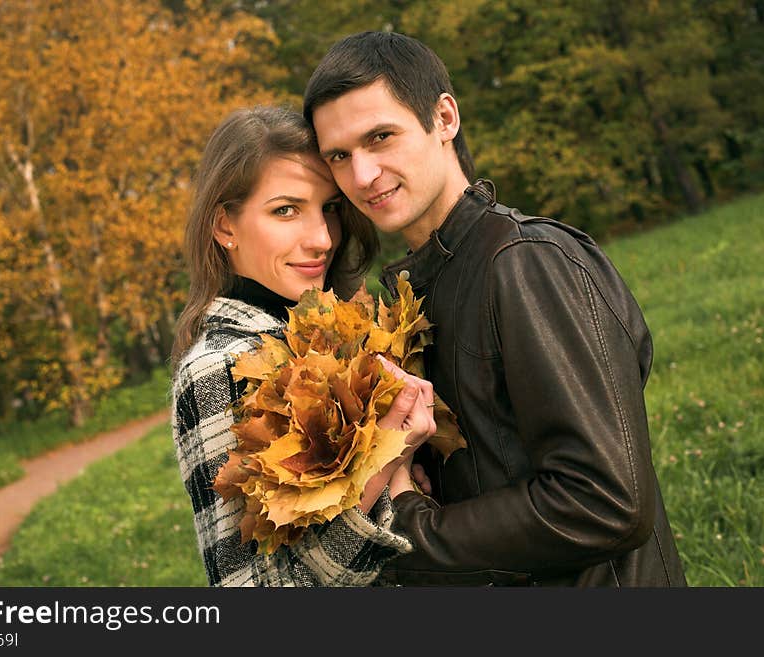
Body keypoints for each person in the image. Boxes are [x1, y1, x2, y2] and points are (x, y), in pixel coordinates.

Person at [303, 31, 687, 586]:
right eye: (340, 155)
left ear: (444, 118)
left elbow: (607, 501)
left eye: (381, 137)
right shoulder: (420, 289)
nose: (362, 175)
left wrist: (409, 529)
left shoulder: (526, 264)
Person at [170, 106, 436, 587]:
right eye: (285, 210)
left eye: (330, 208)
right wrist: (389, 458)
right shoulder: (216, 367)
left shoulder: (341, 335)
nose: (321, 239)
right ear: (225, 226)